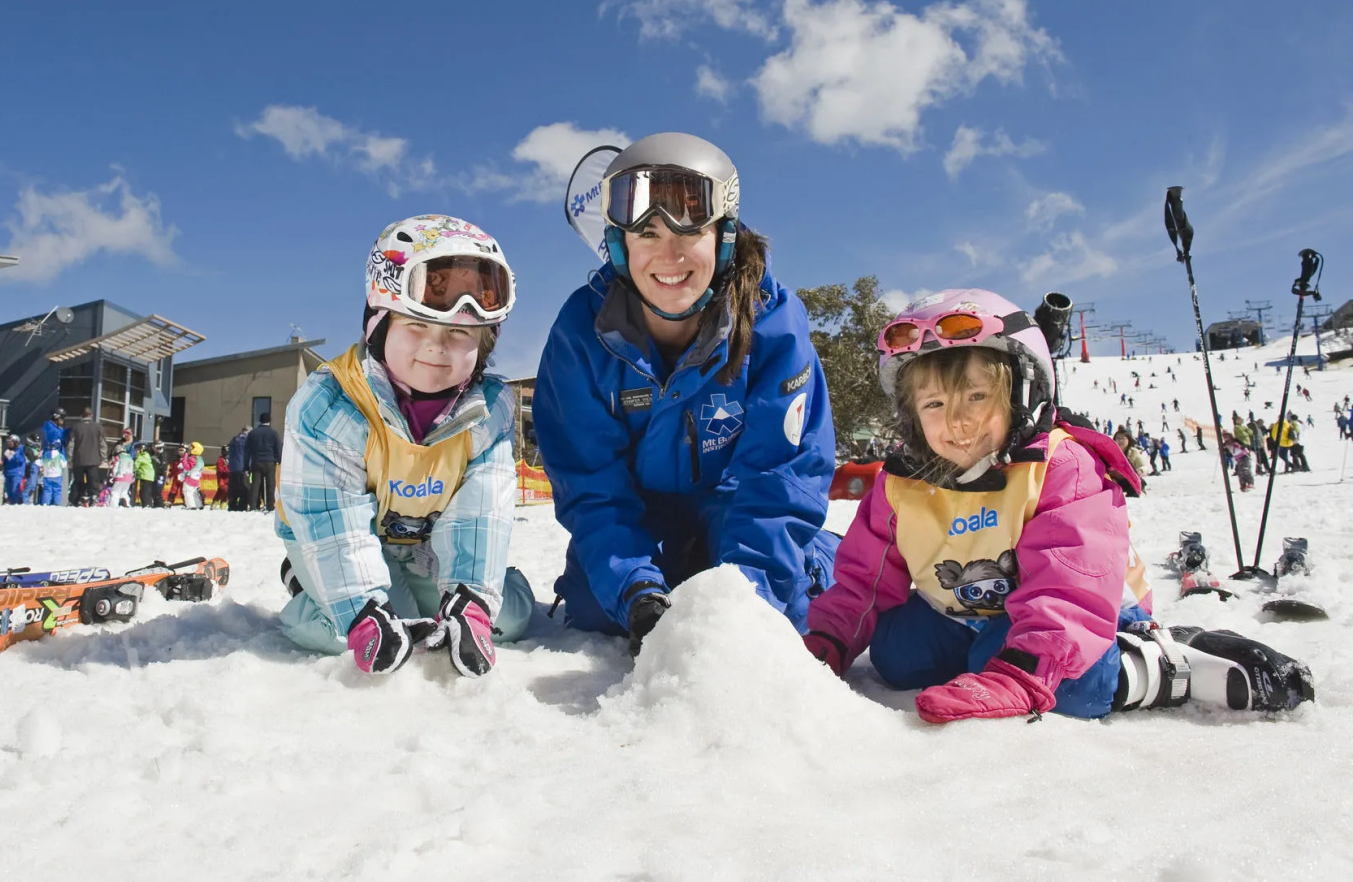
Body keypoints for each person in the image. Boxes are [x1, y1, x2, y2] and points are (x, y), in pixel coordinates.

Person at [804, 289, 1314, 720]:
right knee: (898, 656)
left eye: (975, 397)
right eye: (934, 405)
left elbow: (1067, 590)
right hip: (972, 610)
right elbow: (862, 583)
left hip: (1080, 609)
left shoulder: (1060, 467)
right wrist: (827, 641)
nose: (955, 421)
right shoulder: (901, 485)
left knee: (1068, 685)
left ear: (1022, 394)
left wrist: (1020, 674)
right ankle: (996, 658)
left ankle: (1149, 663)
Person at [533, 133, 837, 653]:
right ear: (618, 245)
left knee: (794, 606)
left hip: (734, 503)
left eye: (689, 230)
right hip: (641, 512)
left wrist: (746, 599)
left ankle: (814, 558)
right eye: (646, 233)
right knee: (595, 609)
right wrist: (635, 590)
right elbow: (592, 488)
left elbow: (781, 478)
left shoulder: (772, 324)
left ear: (723, 235)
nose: (668, 254)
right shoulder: (580, 334)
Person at [277, 213, 533, 678]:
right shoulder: (332, 404)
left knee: (505, 621)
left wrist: (472, 603)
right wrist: (362, 611)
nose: (436, 348)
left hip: (422, 546)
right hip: (337, 537)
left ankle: (478, 594)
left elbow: (481, 511)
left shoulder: (488, 412)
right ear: (379, 326)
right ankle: (305, 586)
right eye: (416, 326)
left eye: (459, 333)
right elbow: (328, 514)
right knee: (362, 630)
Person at [66, 408, 104, 506]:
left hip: (79, 459)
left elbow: (71, 444)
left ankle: (76, 499)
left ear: (81, 416)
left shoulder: (76, 427)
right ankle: (94, 498)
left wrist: (70, 458)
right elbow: (102, 444)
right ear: (91, 415)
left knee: (78, 481)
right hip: (94, 459)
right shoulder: (98, 427)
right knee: (93, 481)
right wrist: (103, 457)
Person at [245, 412, 282, 512]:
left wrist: (246, 466)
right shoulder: (274, 433)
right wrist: (279, 460)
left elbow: (247, 450)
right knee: (271, 485)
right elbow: (278, 448)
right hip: (270, 462)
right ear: (269, 421)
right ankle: (270, 506)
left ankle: (253, 506)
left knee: (255, 485)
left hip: (256, 461)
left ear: (260, 421)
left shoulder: (253, 433)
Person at [225, 425, 250, 510]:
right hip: (242, 467)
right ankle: (242, 506)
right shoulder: (247, 440)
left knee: (233, 488)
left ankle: (232, 505)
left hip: (232, 467)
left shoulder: (234, 440)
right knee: (244, 488)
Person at [109, 435, 136, 507]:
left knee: (115, 492)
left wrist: (113, 476)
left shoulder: (118, 457)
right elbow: (133, 468)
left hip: (120, 476)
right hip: (129, 477)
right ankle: (127, 503)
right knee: (124, 492)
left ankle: (113, 505)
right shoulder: (130, 457)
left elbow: (116, 468)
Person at [39, 440, 68, 506]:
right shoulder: (60, 456)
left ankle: (45, 503)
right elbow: (64, 465)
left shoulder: (45, 455)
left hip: (47, 475)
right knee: (57, 491)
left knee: (47, 490)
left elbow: (41, 463)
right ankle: (57, 503)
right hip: (57, 475)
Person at [178, 442, 205, 509]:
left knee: (187, 492)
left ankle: (191, 506)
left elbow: (187, 466)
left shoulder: (193, 458)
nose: (190, 449)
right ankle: (199, 505)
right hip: (196, 478)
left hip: (190, 478)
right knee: (194, 492)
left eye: (191, 448)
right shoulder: (200, 459)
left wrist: (186, 455)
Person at [2, 434, 27, 504]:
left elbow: (21, 460)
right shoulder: (8, 450)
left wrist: (14, 454)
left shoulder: (21, 449)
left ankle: (17, 503)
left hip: (17, 473)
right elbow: (5, 461)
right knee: (9, 490)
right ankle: (11, 503)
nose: (9, 443)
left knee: (15, 490)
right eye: (8, 442)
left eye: (11, 442)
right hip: (8, 472)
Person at [22, 434, 43, 504]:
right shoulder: (27, 448)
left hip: (36, 469)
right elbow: (31, 458)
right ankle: (24, 502)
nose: (37, 445)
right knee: (29, 486)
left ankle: (27, 501)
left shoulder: (35, 449)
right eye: (36, 443)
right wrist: (38, 456)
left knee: (33, 486)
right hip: (31, 468)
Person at [134, 443, 156, 507]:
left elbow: (135, 466)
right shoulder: (147, 455)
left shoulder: (141, 456)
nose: (136, 452)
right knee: (147, 491)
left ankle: (146, 504)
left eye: (137, 450)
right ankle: (148, 503)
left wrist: (132, 470)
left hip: (145, 476)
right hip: (149, 476)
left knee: (144, 491)